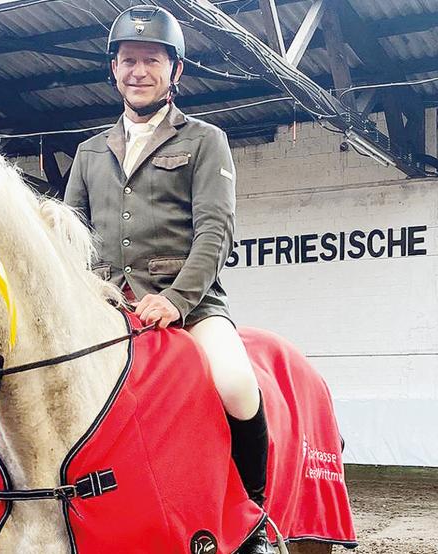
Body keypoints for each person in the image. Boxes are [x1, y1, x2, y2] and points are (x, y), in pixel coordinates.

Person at [64, 3, 271, 538]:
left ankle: (254, 515)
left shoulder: (204, 140)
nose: (138, 71)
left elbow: (214, 234)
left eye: (151, 60)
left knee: (235, 383)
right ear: (114, 70)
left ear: (175, 71)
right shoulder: (88, 152)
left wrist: (175, 301)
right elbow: (70, 239)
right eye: (128, 60)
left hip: (189, 305)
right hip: (107, 306)